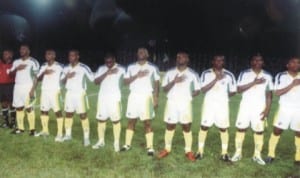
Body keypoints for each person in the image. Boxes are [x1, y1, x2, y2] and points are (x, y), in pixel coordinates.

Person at [231, 54, 273, 165]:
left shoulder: (268, 76)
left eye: (260, 60)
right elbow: (239, 90)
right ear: (251, 62)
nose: (257, 62)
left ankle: (257, 155)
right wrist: (254, 82)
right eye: (255, 60)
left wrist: (267, 109)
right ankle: (238, 153)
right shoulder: (244, 74)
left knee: (259, 131)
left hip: (259, 107)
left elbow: (269, 95)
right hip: (245, 106)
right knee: (241, 129)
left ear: (263, 63)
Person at [158, 52, 200, 161]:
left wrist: (188, 96)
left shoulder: (192, 74)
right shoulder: (169, 73)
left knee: (186, 126)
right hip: (172, 103)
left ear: (187, 59)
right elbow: (164, 89)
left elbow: (197, 90)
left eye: (182, 57)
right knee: (170, 125)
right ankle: (167, 149)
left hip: (185, 104)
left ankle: (188, 151)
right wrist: (174, 81)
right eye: (178, 57)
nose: (179, 58)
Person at [196, 54, 237, 161]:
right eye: (217, 60)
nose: (219, 62)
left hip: (222, 106)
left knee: (223, 128)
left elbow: (233, 91)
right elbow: (203, 90)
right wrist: (216, 79)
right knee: (204, 126)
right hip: (209, 105)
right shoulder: (206, 73)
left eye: (221, 61)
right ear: (212, 62)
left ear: (224, 62)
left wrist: (223, 97)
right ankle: (200, 151)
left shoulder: (229, 75)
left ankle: (224, 153)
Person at [120, 47, 160, 156]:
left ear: (147, 55)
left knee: (147, 122)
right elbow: (126, 82)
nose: (140, 53)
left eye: (143, 52)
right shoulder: (131, 67)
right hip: (133, 96)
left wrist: (156, 97)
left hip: (146, 97)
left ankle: (150, 147)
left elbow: (156, 83)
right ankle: (127, 144)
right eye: (138, 52)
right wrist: (137, 75)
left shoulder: (153, 67)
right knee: (131, 121)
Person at [265, 57, 300, 165]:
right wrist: (292, 84)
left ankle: (298, 157)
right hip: (285, 108)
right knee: (277, 131)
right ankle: (271, 154)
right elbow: (278, 93)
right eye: (293, 62)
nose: (296, 64)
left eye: (298, 63)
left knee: (299, 133)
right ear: (287, 65)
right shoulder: (281, 75)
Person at [92, 53, 125, 152]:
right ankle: (101, 141)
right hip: (102, 98)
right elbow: (96, 82)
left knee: (115, 121)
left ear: (114, 60)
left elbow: (127, 81)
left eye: (110, 62)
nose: (108, 64)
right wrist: (107, 72)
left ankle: (116, 143)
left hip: (115, 99)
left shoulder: (121, 69)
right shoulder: (101, 68)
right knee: (101, 120)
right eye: (106, 62)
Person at [61, 50, 94, 146]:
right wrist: (67, 76)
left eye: (73, 55)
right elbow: (62, 82)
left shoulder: (84, 67)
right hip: (69, 93)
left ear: (77, 56)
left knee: (83, 115)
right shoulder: (66, 67)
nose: (70, 57)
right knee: (68, 114)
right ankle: (68, 135)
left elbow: (92, 79)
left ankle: (86, 138)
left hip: (80, 94)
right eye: (69, 55)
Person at [32, 49, 64, 141]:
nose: (47, 55)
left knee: (57, 112)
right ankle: (45, 130)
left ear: (54, 56)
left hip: (54, 92)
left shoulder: (60, 66)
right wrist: (43, 73)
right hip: (44, 91)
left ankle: (60, 133)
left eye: (49, 54)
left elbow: (65, 76)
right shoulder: (43, 65)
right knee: (43, 111)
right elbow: (38, 78)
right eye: (46, 54)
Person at [8, 44, 40, 135]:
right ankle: (20, 129)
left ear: (28, 51)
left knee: (29, 108)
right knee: (19, 108)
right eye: (21, 49)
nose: (21, 51)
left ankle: (32, 130)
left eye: (24, 49)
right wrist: (16, 69)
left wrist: (33, 90)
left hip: (28, 87)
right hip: (17, 87)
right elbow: (10, 74)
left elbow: (36, 77)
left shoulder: (33, 62)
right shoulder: (16, 62)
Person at [0, 49, 16, 128]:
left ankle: (13, 123)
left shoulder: (14, 64)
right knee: (3, 104)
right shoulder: (0, 63)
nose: (6, 56)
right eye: (5, 54)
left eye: (8, 54)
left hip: (11, 86)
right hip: (1, 86)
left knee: (12, 104)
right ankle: (6, 122)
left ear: (11, 55)